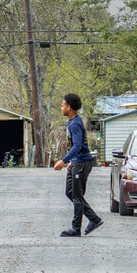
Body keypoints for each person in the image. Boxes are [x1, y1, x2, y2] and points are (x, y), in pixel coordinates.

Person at [53, 93, 103, 237]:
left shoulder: (75, 123)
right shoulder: (73, 121)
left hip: (82, 163)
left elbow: (77, 146)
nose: (61, 107)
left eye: (63, 105)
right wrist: (71, 161)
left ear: (69, 107)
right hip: (77, 162)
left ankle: (76, 229)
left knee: (77, 196)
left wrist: (64, 160)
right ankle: (93, 219)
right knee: (70, 193)